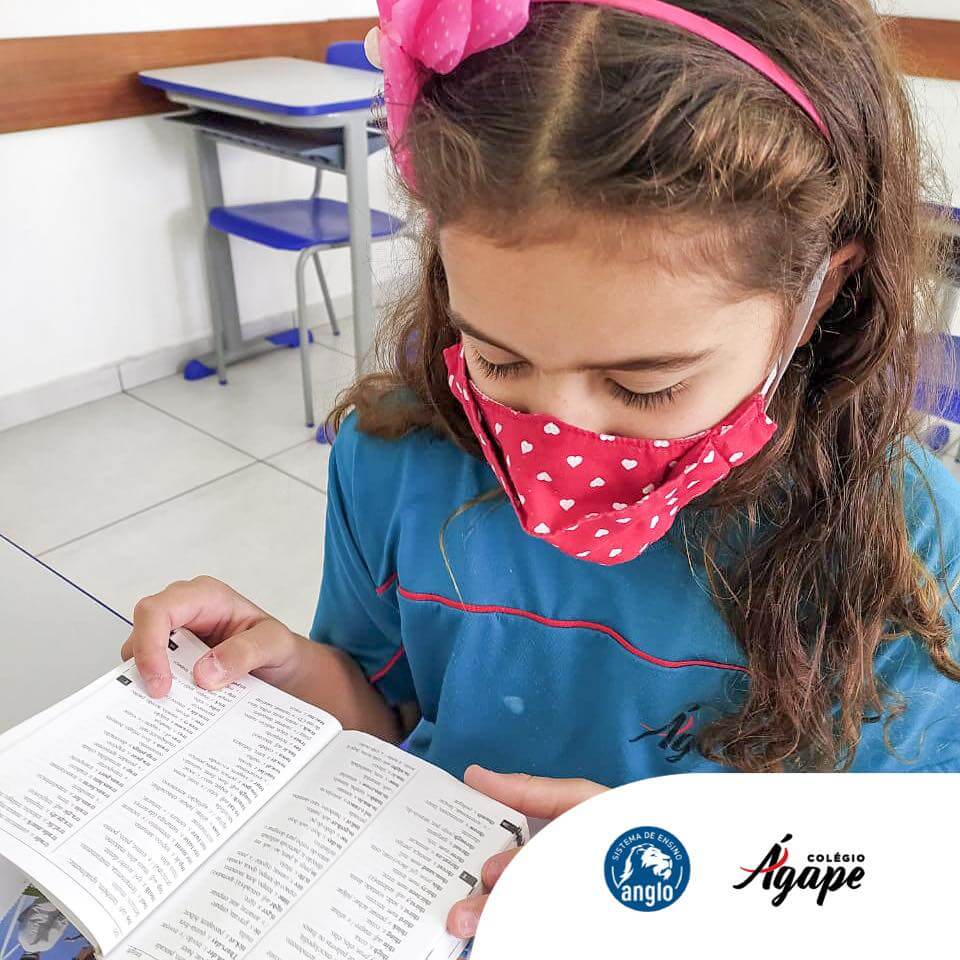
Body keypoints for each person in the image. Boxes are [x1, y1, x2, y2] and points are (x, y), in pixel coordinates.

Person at [124, 0, 960, 940]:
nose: (556, 437)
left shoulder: (910, 543)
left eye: (644, 386)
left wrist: (668, 878)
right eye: (499, 360)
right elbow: (390, 727)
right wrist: (294, 672)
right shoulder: (397, 458)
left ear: (819, 293)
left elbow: (897, 875)